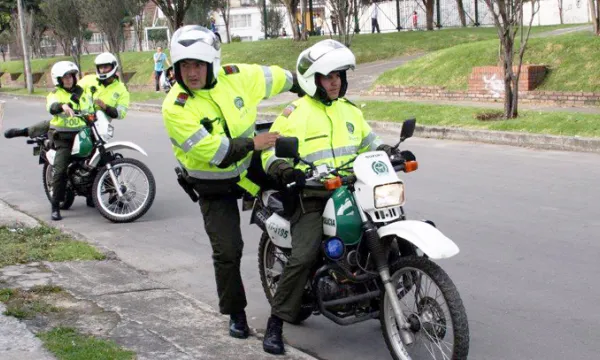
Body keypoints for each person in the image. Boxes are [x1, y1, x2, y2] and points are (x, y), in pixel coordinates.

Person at [260, 39, 414, 355]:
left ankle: (380, 290)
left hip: (352, 189)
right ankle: (276, 323)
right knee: (303, 256)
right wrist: (282, 168)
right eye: (328, 76)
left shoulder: (350, 111)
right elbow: (269, 152)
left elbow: (370, 144)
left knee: (393, 230)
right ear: (312, 79)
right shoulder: (295, 113)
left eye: (339, 76)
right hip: (312, 196)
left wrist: (390, 151)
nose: (335, 82)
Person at [161, 25, 303, 340]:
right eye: (185, 66)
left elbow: (273, 77)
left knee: (298, 183)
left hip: (247, 165)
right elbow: (217, 152)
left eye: (198, 65)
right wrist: (256, 143)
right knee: (228, 251)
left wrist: (303, 84)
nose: (192, 73)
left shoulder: (235, 76)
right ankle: (236, 314)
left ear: (212, 63)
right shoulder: (176, 106)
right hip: (213, 183)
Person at [4, 52, 130, 208]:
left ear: (113, 67)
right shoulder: (86, 81)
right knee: (51, 124)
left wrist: (104, 106)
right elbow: (69, 94)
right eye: (101, 67)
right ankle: (23, 131)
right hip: (71, 124)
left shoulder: (121, 89)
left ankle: (109, 192)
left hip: (97, 126)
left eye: (106, 67)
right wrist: (65, 106)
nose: (103, 70)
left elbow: (121, 113)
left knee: (104, 157)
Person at [44, 62, 93, 220]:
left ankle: (92, 196)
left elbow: (89, 109)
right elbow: (51, 107)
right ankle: (55, 206)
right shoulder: (55, 93)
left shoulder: (82, 92)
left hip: (82, 133)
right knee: (60, 170)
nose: (69, 79)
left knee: (97, 161)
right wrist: (62, 106)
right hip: (63, 137)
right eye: (65, 76)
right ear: (58, 79)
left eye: (71, 76)